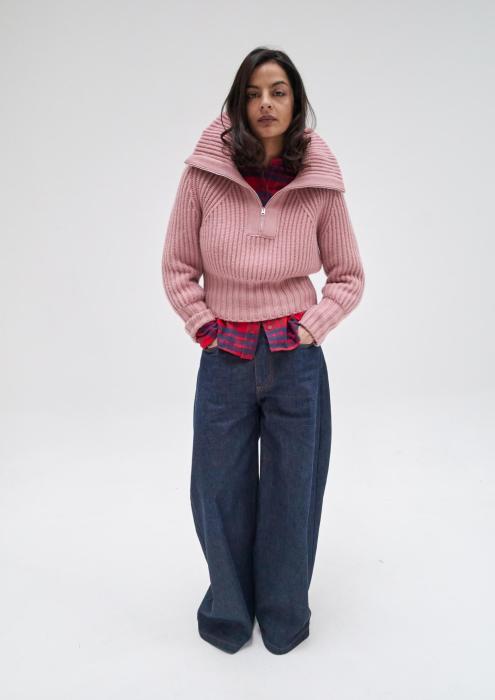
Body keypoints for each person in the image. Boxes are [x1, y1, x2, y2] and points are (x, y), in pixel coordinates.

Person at [161, 46, 365, 655]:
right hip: (224, 355)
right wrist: (204, 326)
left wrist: (312, 327)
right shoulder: (203, 175)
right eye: (253, 93)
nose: (265, 103)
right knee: (216, 489)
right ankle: (228, 609)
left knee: (293, 489)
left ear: (296, 102)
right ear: (237, 103)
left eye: (278, 91)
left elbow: (348, 276)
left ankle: (284, 612)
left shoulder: (320, 182)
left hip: (294, 357)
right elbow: (177, 266)